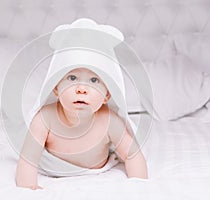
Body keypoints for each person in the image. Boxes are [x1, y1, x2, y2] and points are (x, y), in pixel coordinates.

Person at [15, 67, 148, 190]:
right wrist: (28, 187)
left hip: (96, 173)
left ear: (106, 96)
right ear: (56, 88)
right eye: (72, 78)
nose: (81, 89)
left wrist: (138, 185)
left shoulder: (110, 121)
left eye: (94, 80)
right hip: (52, 169)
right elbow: (28, 158)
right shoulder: (45, 118)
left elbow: (132, 155)